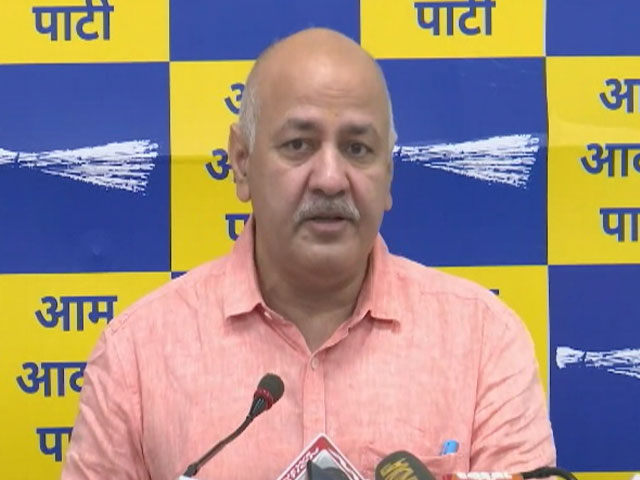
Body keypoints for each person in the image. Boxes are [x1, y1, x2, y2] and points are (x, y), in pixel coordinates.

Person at [62, 28, 555, 480]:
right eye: (298, 145)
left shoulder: (483, 340)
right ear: (241, 162)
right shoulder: (138, 354)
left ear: (388, 174)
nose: (330, 179)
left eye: (358, 149)